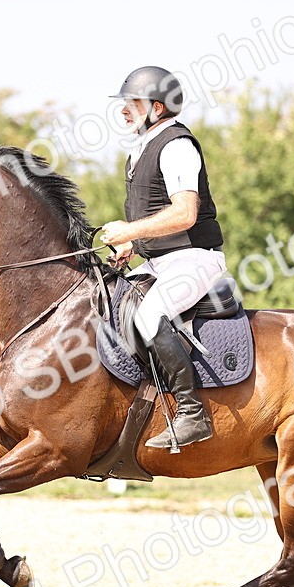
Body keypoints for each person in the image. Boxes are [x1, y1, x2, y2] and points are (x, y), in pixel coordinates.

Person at [99, 66, 229, 450]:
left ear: (157, 107)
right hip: (162, 261)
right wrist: (131, 246)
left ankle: (193, 415)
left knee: (147, 316)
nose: (124, 110)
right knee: (111, 303)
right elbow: (155, 221)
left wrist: (129, 231)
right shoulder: (140, 150)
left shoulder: (175, 145)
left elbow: (185, 214)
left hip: (194, 259)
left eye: (132, 103)